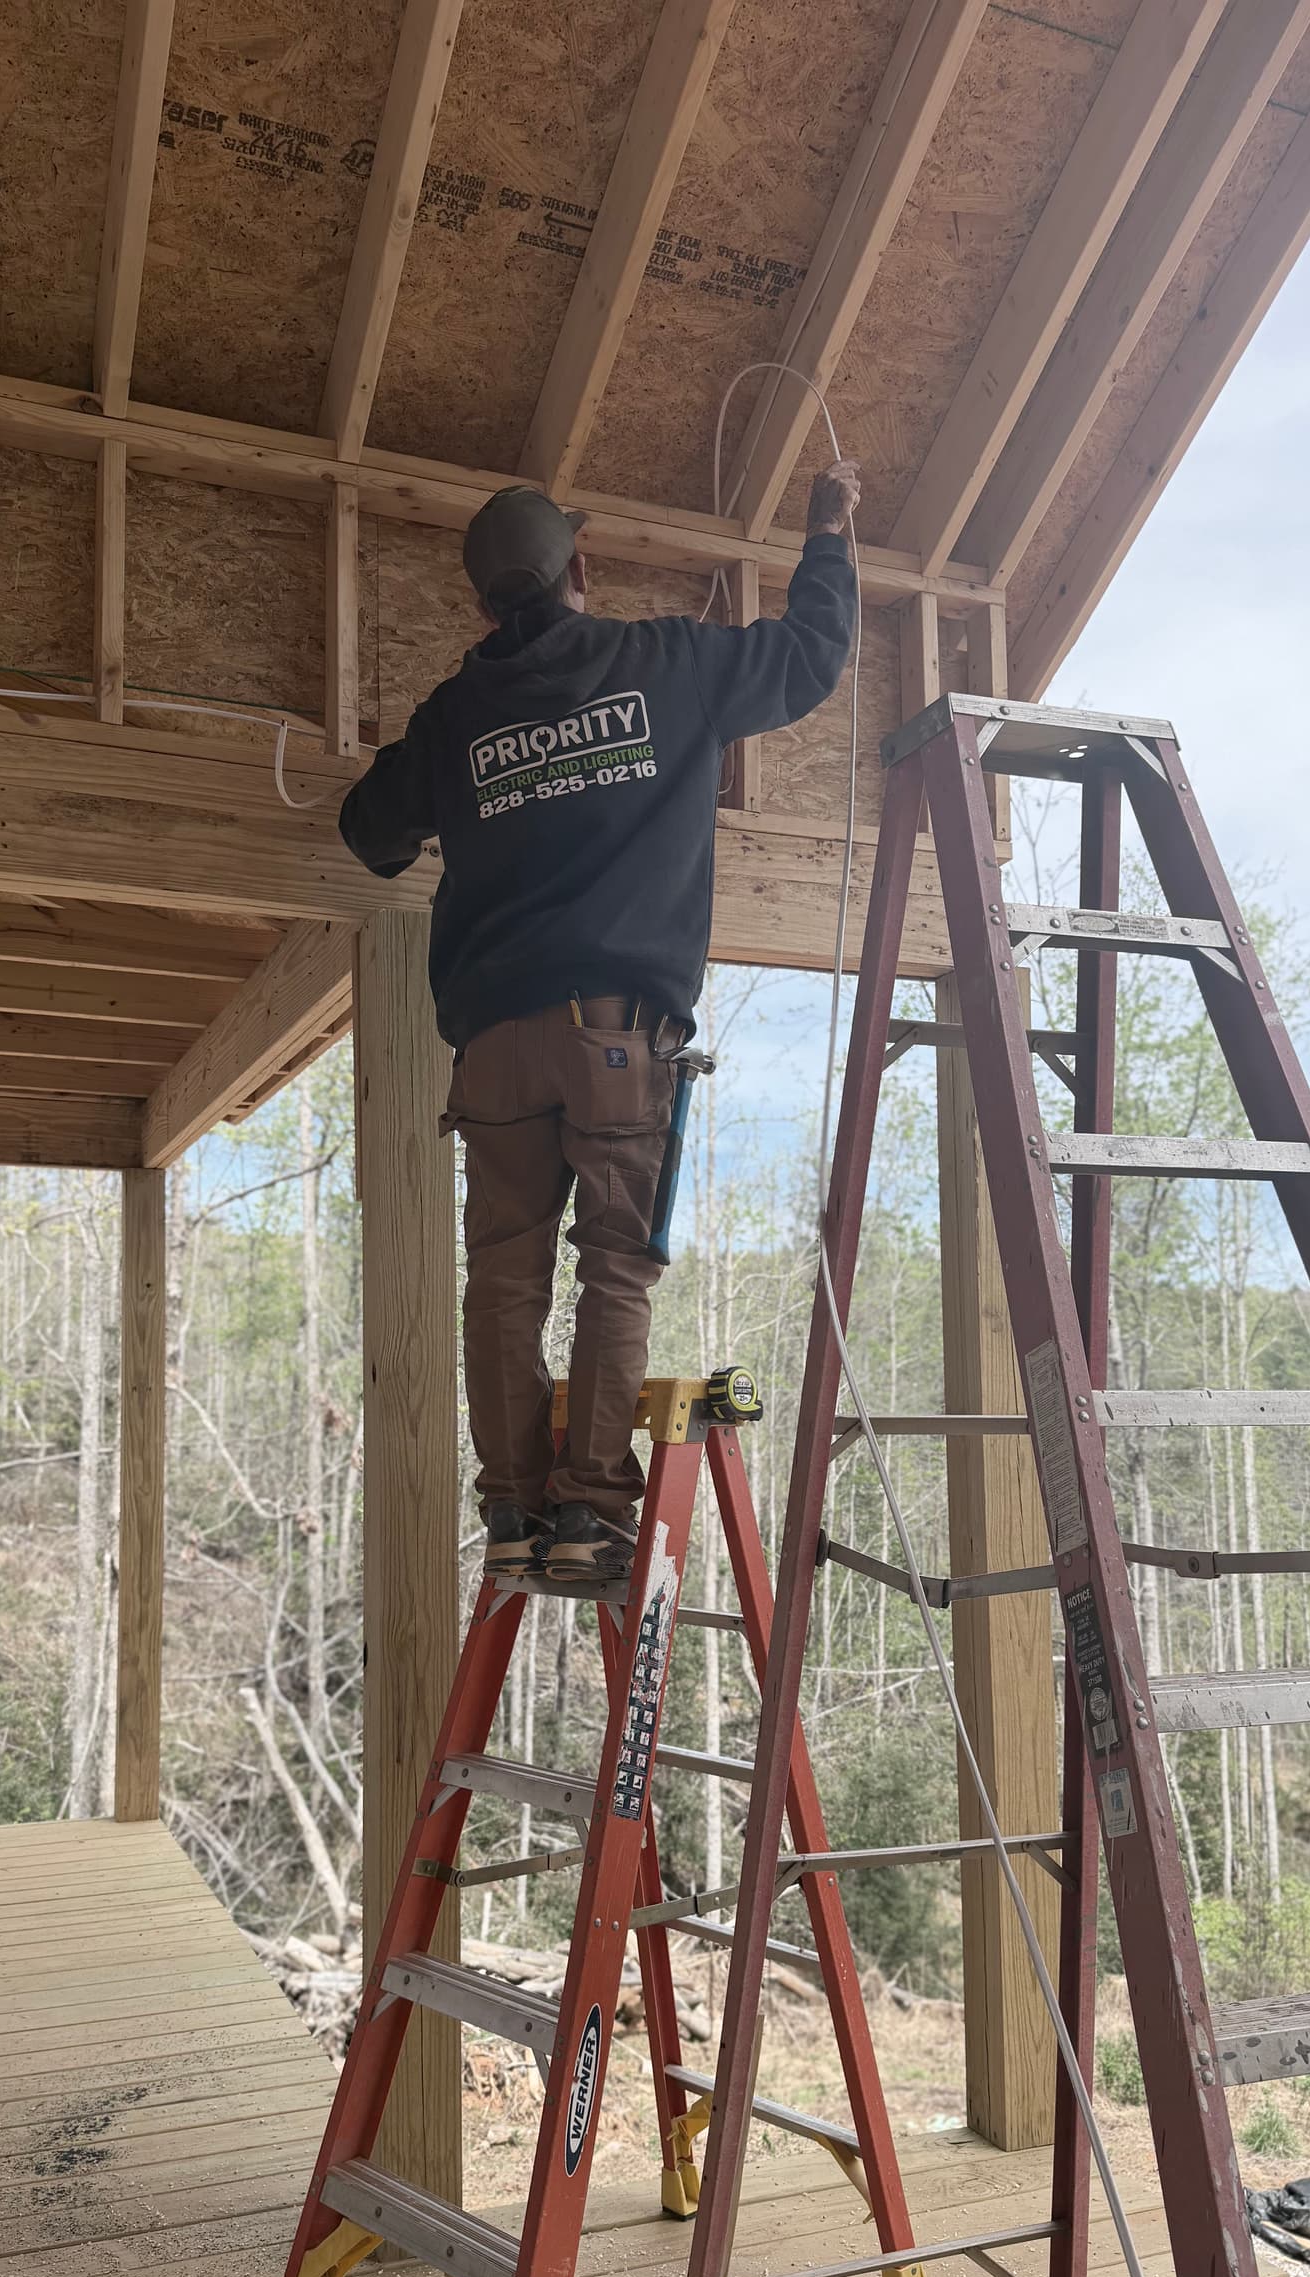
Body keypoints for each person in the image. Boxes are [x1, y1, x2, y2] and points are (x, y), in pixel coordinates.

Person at [338, 458, 861, 1585]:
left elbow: (369, 832)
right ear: (581, 567)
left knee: (504, 1279)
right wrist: (827, 533)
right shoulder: (665, 662)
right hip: (615, 1039)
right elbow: (810, 657)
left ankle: (513, 1512)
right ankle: (589, 1510)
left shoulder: (456, 714)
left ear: (483, 602)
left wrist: (461, 789)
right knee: (615, 1270)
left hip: (493, 1049)